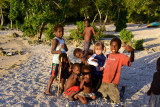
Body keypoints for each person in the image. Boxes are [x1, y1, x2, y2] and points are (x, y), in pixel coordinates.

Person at [98, 37, 134, 103]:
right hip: (103, 81)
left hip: (113, 82)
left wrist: (132, 51)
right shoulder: (107, 55)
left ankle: (121, 93)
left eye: (116, 46)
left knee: (116, 100)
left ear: (119, 47)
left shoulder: (121, 57)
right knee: (101, 95)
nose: (113, 48)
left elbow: (130, 60)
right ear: (110, 46)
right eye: (112, 45)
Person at [44, 24, 68, 96]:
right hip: (56, 62)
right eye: (59, 31)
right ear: (55, 32)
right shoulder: (55, 40)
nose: (61, 33)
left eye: (62, 31)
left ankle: (58, 83)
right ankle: (47, 90)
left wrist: (65, 47)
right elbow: (52, 51)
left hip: (62, 61)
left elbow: (66, 50)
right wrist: (58, 51)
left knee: (60, 74)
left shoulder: (62, 39)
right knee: (53, 75)